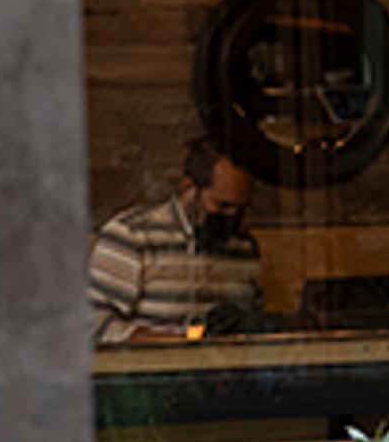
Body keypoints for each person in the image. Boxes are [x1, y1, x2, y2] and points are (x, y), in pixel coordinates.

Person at [88, 140, 263, 345]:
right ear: (188, 189)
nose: (231, 217)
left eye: (240, 208)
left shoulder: (243, 246)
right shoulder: (133, 236)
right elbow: (92, 324)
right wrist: (178, 344)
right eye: (222, 206)